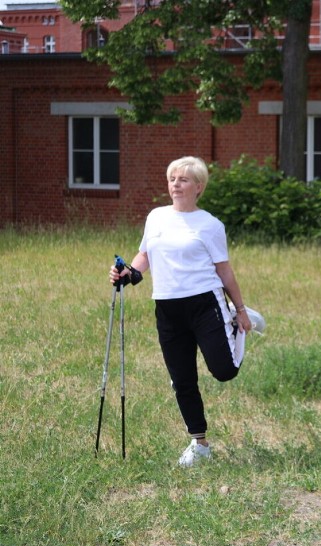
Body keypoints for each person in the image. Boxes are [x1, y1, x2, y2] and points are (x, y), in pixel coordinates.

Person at [109, 156, 263, 467]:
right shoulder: (156, 218)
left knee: (224, 371)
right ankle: (199, 444)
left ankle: (232, 319)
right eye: (172, 179)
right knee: (182, 380)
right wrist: (128, 275)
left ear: (199, 187)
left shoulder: (210, 225)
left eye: (183, 179)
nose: (176, 184)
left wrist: (243, 311)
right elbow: (145, 256)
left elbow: (225, 271)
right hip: (167, 307)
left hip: (205, 304)